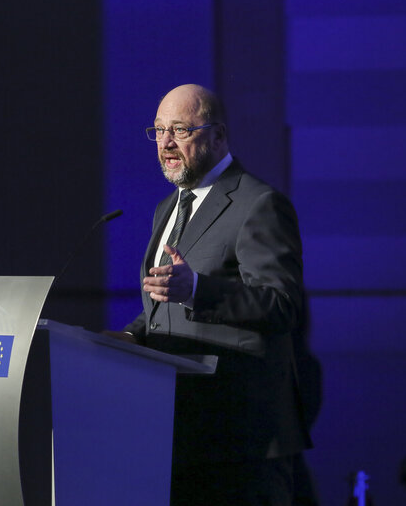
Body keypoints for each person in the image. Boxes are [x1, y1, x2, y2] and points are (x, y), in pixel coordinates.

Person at [110, 84, 312, 505]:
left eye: (180, 130)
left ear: (217, 136)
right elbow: (166, 303)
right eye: (159, 130)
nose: (165, 143)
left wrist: (199, 290)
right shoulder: (167, 207)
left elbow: (282, 305)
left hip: (240, 441)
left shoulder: (259, 204)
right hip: (176, 432)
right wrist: (132, 336)